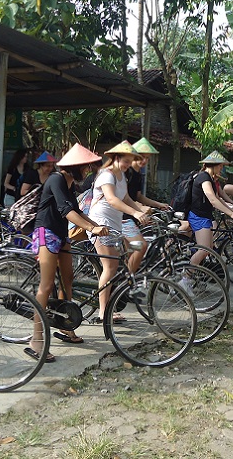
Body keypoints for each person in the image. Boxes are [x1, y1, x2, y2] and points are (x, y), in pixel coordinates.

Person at [27, 143, 108, 362]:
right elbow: (66, 211)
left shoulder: (69, 183)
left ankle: (66, 325)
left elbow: (78, 211)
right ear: (75, 167)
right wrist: (91, 228)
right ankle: (36, 340)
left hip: (62, 236)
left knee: (67, 280)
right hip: (46, 233)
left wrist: (97, 226)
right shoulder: (56, 179)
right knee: (46, 286)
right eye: (85, 167)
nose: (88, 171)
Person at [87, 141, 151, 323]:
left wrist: (141, 210)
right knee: (110, 267)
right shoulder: (106, 175)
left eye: (130, 162)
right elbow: (112, 200)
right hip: (101, 224)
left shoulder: (122, 176)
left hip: (116, 225)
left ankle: (114, 298)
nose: (127, 165)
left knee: (131, 253)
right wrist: (135, 213)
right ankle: (103, 312)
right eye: (125, 161)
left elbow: (126, 198)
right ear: (116, 158)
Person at [187, 151, 233, 289]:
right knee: (204, 250)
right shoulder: (204, 177)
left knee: (209, 248)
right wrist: (231, 215)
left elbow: (218, 198)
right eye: (220, 166)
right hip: (198, 217)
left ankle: (196, 276)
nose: (221, 168)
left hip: (205, 216)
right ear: (214, 165)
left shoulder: (211, 179)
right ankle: (184, 281)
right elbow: (212, 199)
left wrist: (232, 211)